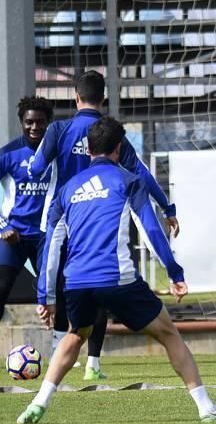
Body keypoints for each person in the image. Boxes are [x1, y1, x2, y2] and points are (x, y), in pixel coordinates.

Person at [17, 117, 216, 424]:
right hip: (117, 278)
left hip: (76, 281)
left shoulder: (67, 190)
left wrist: (45, 296)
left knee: (75, 334)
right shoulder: (128, 181)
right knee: (169, 334)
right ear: (119, 148)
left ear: (88, 149)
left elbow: (52, 245)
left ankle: (39, 402)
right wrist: (174, 272)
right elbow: (150, 231)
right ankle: (205, 407)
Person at [29, 70, 179, 380]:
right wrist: (167, 206)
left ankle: (60, 356)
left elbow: (37, 169)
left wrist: (36, 163)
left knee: (66, 288)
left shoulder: (59, 129)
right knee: (100, 286)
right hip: (100, 221)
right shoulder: (110, 136)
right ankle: (93, 364)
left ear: (76, 96)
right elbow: (144, 175)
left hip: (63, 218)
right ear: (104, 98)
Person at [0, 96, 56, 368]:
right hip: (14, 235)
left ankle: (59, 347)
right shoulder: (7, 154)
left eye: (40, 122)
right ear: (21, 123)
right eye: (29, 122)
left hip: (45, 235)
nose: (35, 127)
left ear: (48, 124)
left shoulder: (57, 155)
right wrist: (2, 225)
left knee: (57, 290)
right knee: (1, 288)